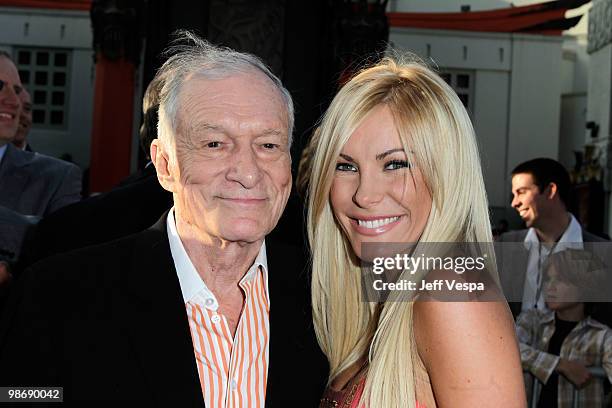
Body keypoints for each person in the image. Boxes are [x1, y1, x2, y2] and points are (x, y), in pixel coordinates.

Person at [0, 31, 326, 407]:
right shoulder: (58, 296)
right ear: (165, 163)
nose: (248, 172)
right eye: (215, 144)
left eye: (268, 145)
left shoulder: (327, 297)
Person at [307, 55, 525, 407]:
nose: (364, 194)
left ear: (445, 174)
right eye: (345, 166)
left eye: (395, 164)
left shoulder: (451, 293)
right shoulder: (384, 292)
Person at [498, 158, 607, 320]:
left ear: (550, 191)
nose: (514, 203)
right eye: (513, 194)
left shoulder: (602, 253)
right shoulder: (504, 246)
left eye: (521, 192)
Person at [0, 51, 81, 266]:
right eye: (0, 86)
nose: (14, 101)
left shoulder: (57, 179)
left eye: (17, 90)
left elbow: (62, 252)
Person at [516, 249, 612, 407]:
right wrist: (560, 365)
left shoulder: (602, 336)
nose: (550, 287)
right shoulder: (533, 320)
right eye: (548, 278)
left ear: (584, 286)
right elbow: (508, 348)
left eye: (560, 279)